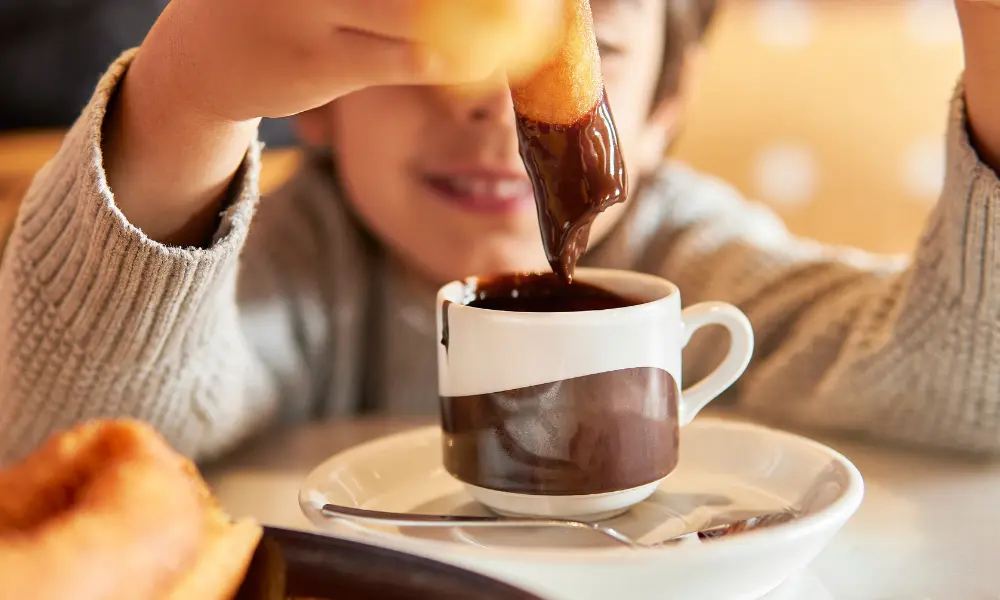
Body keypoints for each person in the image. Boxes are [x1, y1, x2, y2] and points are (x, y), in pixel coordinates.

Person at [1, 0, 999, 465]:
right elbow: (69, 434)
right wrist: (185, 99)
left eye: (596, 46)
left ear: (662, 105)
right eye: (424, 53)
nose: (487, 111)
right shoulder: (294, 263)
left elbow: (961, 386)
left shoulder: (689, 262)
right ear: (317, 100)